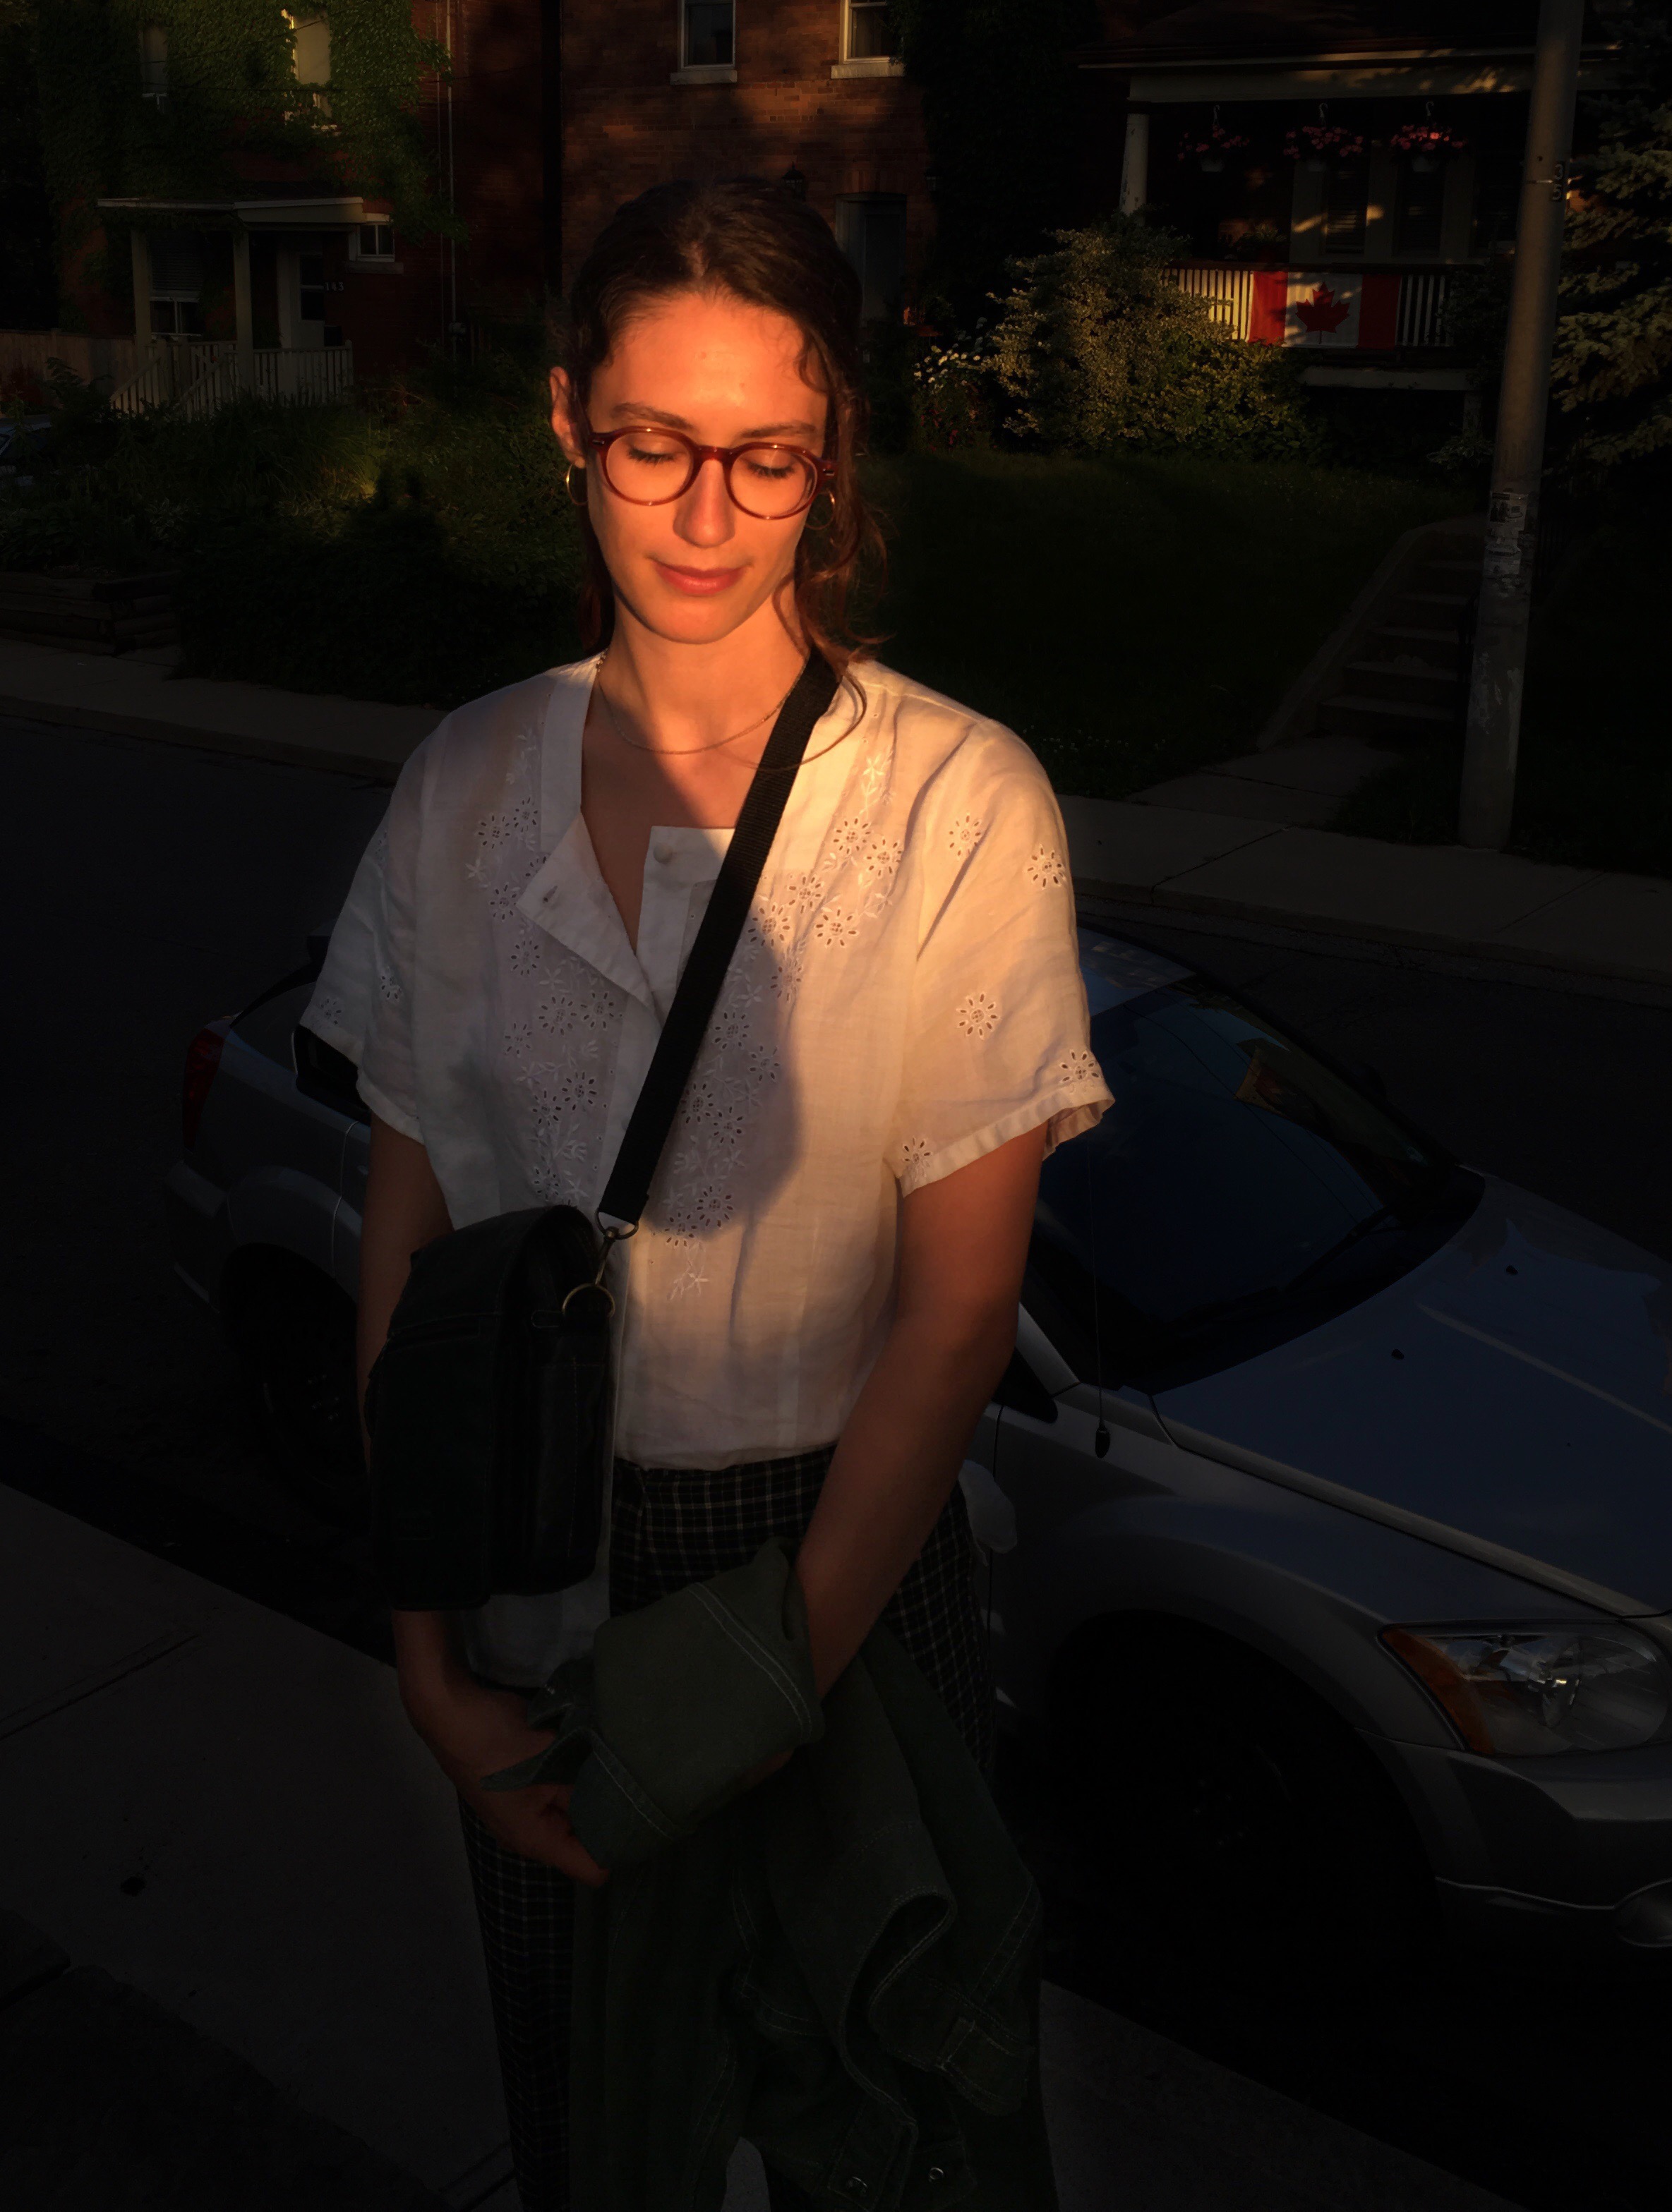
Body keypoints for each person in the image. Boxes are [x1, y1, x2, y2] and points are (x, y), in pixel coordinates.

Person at [308, 177, 1109, 2211]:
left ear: (828, 461)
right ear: (570, 419)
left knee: (899, 2124)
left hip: (838, 1568)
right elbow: (409, 1230)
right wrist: (427, 1655)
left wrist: (766, 1677)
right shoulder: (462, 784)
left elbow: (954, 1313)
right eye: (656, 445)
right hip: (534, 1561)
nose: (702, 513)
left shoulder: (951, 800)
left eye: (764, 459)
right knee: (607, 2136)